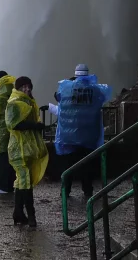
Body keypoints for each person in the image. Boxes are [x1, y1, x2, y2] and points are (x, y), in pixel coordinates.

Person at [54, 64, 111, 200]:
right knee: (87, 166)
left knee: (68, 166)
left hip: (69, 137)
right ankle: (87, 191)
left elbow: (58, 97)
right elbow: (102, 98)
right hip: (88, 135)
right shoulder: (95, 90)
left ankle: (65, 191)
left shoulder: (66, 88)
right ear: (87, 75)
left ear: (75, 74)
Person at [5, 76, 49, 227]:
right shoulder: (14, 102)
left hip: (27, 148)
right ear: (18, 88)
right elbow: (12, 124)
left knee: (23, 181)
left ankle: (18, 213)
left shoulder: (29, 101)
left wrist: (36, 126)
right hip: (18, 149)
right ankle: (31, 216)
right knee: (25, 181)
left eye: (28, 86)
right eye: (23, 87)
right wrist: (34, 126)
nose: (27, 89)